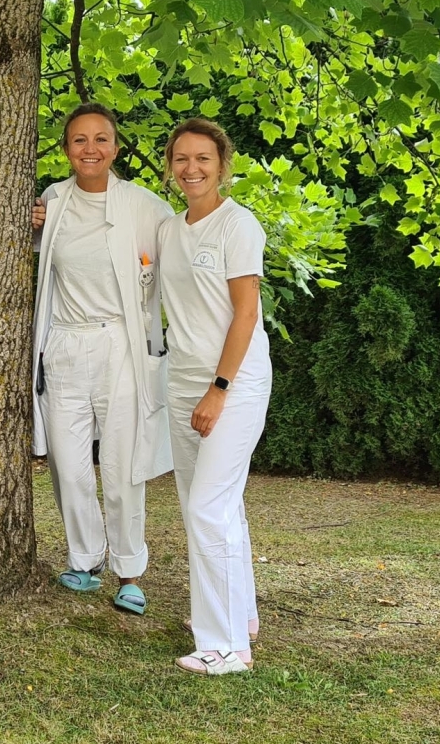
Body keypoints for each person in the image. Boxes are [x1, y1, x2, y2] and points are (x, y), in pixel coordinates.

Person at [30, 102, 173, 615]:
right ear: (67, 149)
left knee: (120, 463)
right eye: (79, 140)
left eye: (101, 139)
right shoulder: (54, 199)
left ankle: (130, 570)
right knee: (68, 466)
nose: (90, 149)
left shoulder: (145, 206)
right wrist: (31, 225)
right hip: (65, 343)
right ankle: (84, 559)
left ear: (115, 147)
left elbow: (174, 263)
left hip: (120, 346)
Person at [158, 118, 271, 676]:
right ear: (170, 165)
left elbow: (246, 314)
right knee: (209, 506)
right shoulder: (169, 229)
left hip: (233, 384)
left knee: (209, 507)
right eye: (182, 158)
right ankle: (240, 614)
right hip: (181, 381)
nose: (192, 168)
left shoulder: (237, 225)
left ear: (222, 165)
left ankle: (226, 646)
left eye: (203, 158)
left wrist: (218, 390)